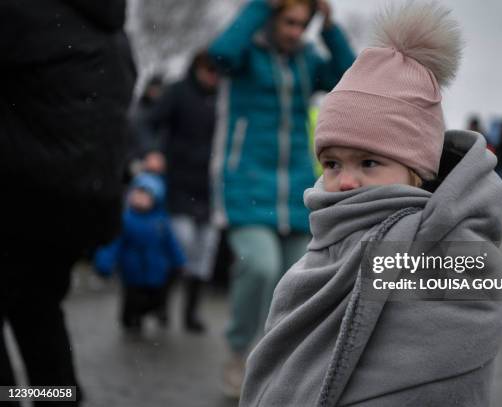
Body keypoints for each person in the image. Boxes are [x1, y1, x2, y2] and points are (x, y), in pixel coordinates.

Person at [240, 2, 502, 405]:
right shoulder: (318, 252)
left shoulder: (455, 254)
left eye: (369, 162)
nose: (345, 181)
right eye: (332, 163)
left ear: (416, 169)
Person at [207, 0, 355, 396]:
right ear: (272, 17)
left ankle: (279, 363)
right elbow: (219, 53)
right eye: (288, 22)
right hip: (246, 186)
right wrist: (259, 5)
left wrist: (327, 25)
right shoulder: (245, 56)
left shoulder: (307, 60)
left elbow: (348, 75)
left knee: (299, 282)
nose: (294, 31)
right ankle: (239, 352)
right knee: (258, 265)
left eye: (300, 24)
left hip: (294, 190)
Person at [0, 0, 135, 404]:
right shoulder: (112, 27)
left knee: (33, 306)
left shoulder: (18, 12)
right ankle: (57, 397)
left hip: (22, 197)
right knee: (38, 309)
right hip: (82, 203)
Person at [144, 50, 221, 333]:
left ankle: (191, 314)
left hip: (212, 189)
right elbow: (148, 122)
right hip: (179, 185)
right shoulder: (178, 92)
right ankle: (161, 305)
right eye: (209, 70)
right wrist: (152, 152)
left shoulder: (225, 99)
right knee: (181, 243)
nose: (214, 77)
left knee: (205, 251)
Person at [94, 173, 186, 334]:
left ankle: (153, 312)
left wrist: (179, 262)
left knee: (155, 297)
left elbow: (171, 244)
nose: (140, 199)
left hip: (156, 270)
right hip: (132, 272)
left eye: (145, 196)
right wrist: (104, 263)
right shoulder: (125, 220)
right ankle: (130, 320)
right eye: (137, 195)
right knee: (132, 300)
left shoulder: (161, 221)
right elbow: (113, 244)